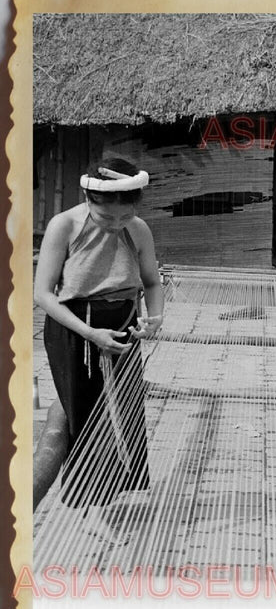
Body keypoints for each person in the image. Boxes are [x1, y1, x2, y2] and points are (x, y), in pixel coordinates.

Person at [34, 156, 164, 507]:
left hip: (123, 323)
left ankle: (113, 489)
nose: (116, 223)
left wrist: (155, 317)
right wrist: (90, 334)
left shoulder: (138, 229)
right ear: (88, 200)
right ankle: (82, 496)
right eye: (106, 216)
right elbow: (43, 294)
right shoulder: (64, 226)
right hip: (74, 325)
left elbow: (151, 282)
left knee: (124, 406)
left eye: (125, 215)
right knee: (82, 408)